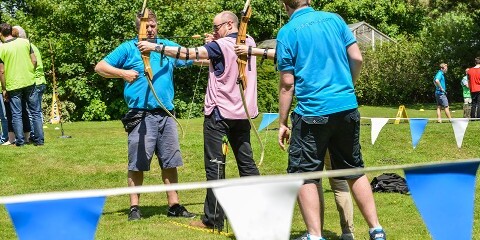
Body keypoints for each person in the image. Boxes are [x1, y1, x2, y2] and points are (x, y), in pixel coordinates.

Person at [138, 10, 261, 231]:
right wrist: (215, 41)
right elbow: (221, 56)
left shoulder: (220, 45)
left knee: (215, 167)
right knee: (247, 165)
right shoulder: (249, 42)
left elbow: (188, 53)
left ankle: (213, 220)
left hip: (220, 115)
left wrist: (155, 47)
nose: (214, 31)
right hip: (242, 114)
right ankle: (259, 215)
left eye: (217, 27)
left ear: (230, 24)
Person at [276, 1, 385, 240]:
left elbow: (287, 83)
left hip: (313, 111)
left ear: (285, 4)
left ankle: (315, 235)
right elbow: (357, 58)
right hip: (346, 106)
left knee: (304, 173)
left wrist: (282, 121)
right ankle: (376, 229)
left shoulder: (287, 32)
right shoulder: (335, 19)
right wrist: (347, 87)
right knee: (354, 169)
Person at [234, 44, 355, 240]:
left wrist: (251, 51)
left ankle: (319, 234)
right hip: (340, 114)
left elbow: (284, 63)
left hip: (313, 118)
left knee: (312, 179)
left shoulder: (303, 48)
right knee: (332, 178)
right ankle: (342, 233)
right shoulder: (328, 50)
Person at [94, 9, 195, 221]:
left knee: (170, 161)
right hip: (140, 114)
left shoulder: (165, 46)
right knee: (137, 162)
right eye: (145, 26)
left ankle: (174, 205)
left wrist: (212, 45)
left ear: (157, 26)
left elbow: (190, 56)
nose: (149, 29)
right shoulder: (128, 48)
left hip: (166, 113)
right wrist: (122, 73)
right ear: (138, 27)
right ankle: (134, 208)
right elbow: (100, 66)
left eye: (152, 26)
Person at [0, 23, 44, 147]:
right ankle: (40, 140)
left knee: (16, 114)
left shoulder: (1, 49)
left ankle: (20, 141)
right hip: (29, 81)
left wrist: (4, 88)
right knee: (35, 112)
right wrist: (30, 71)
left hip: (13, 84)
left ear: (1, 34)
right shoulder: (25, 43)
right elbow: (34, 60)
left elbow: (1, 71)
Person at [13, 26, 47, 137]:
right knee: (37, 111)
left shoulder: (26, 47)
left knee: (32, 112)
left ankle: (35, 135)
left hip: (35, 81)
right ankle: (38, 134)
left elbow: (33, 62)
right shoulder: (32, 46)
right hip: (40, 80)